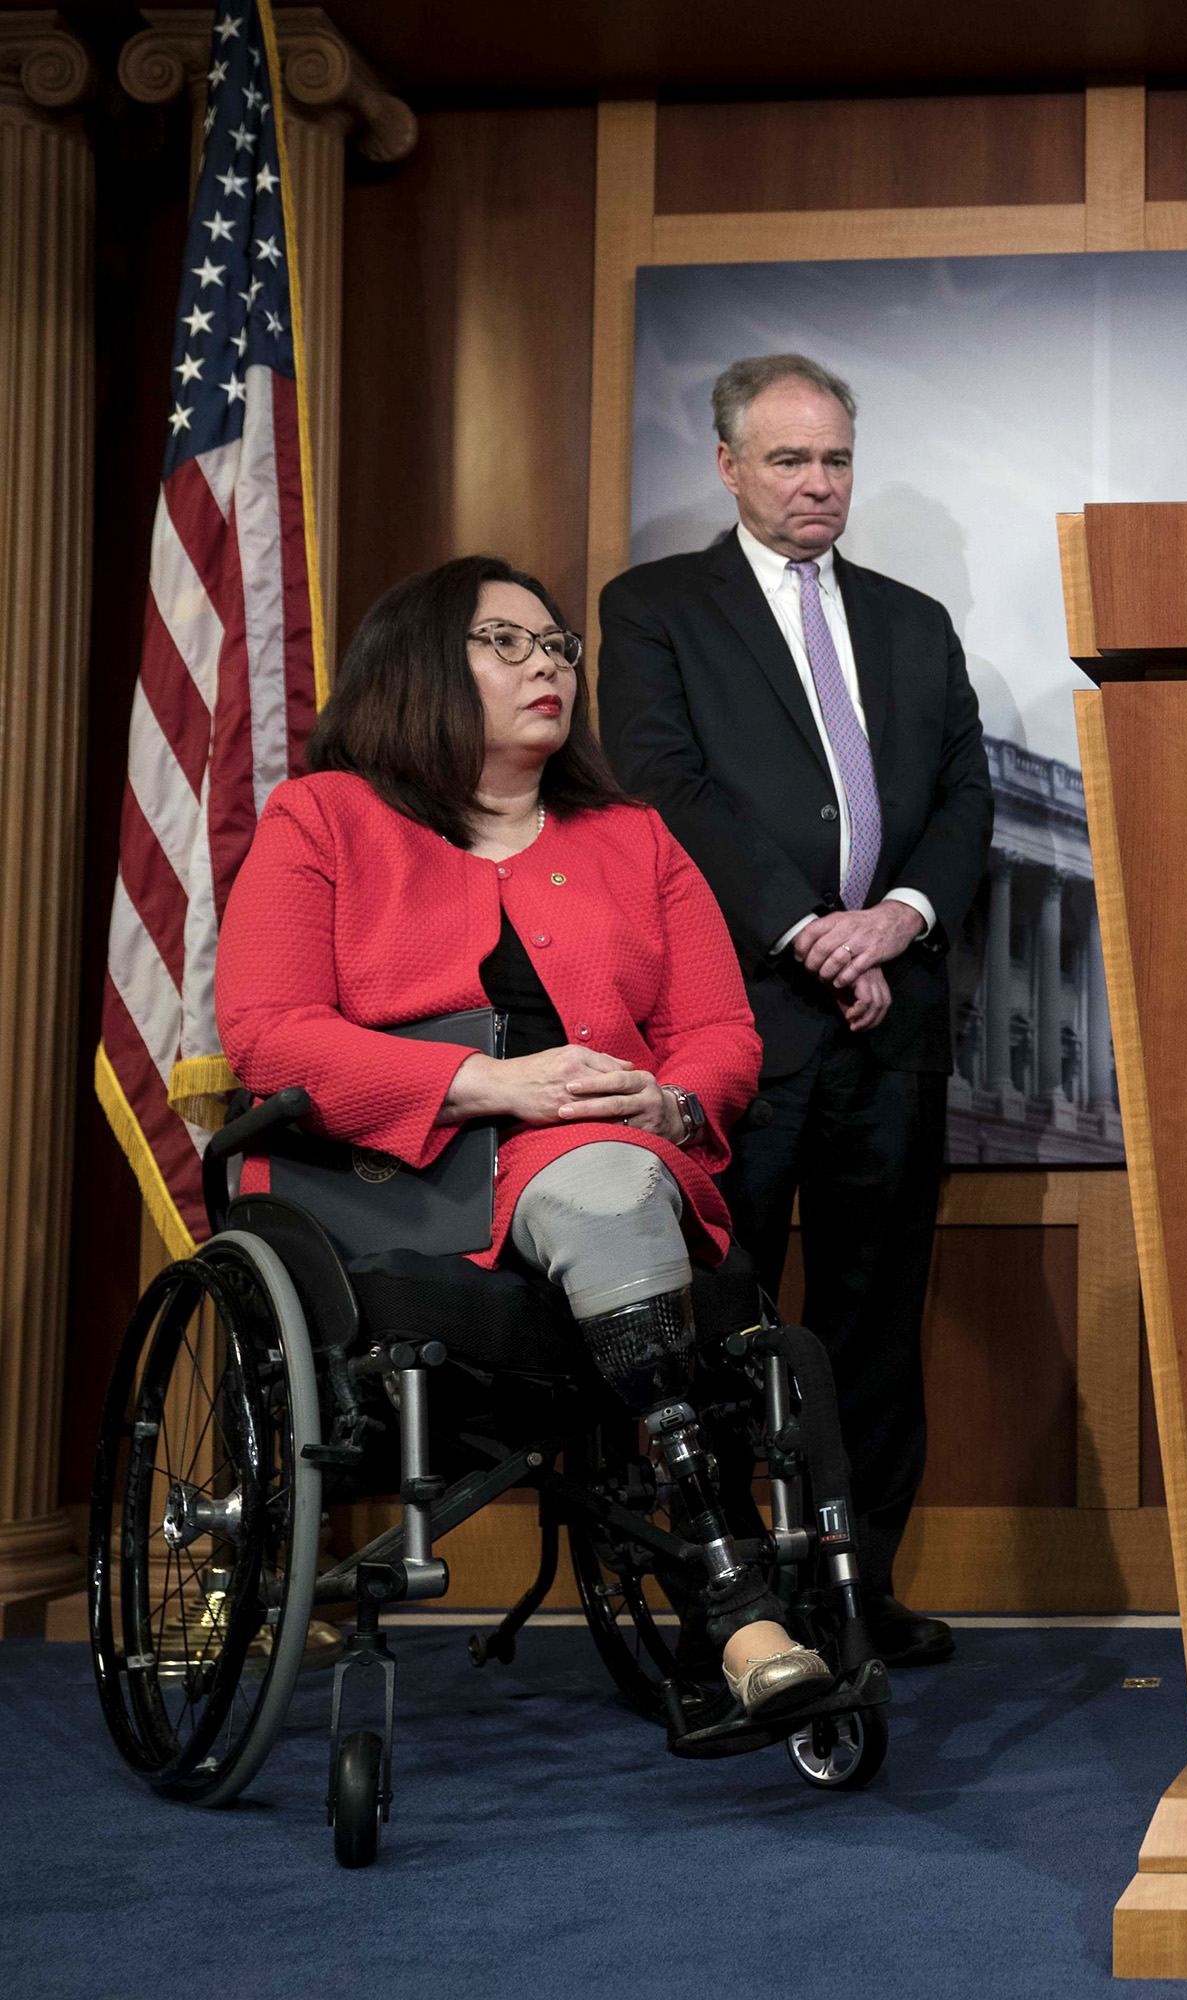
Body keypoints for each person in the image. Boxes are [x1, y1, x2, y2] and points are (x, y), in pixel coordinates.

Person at [218, 555, 823, 1717]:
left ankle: (736, 1583)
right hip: (393, 1175)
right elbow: (270, 1035)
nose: (549, 663)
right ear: (422, 665)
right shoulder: (324, 817)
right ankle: (735, 1598)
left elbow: (717, 1031)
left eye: (558, 647)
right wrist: (494, 1082)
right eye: (510, 642)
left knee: (610, 1175)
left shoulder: (634, 837)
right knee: (602, 1185)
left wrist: (673, 1104)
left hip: (613, 1147)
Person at [600, 354, 993, 1672]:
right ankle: (733, 1602)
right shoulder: (656, 608)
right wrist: (810, 928)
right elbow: (664, 784)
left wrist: (901, 920)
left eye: (832, 460)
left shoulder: (913, 621)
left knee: (877, 1322)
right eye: (787, 461)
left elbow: (964, 800)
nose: (816, 484)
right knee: (724, 1313)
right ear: (727, 467)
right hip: (742, 1015)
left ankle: (855, 1590)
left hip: (892, 1021)